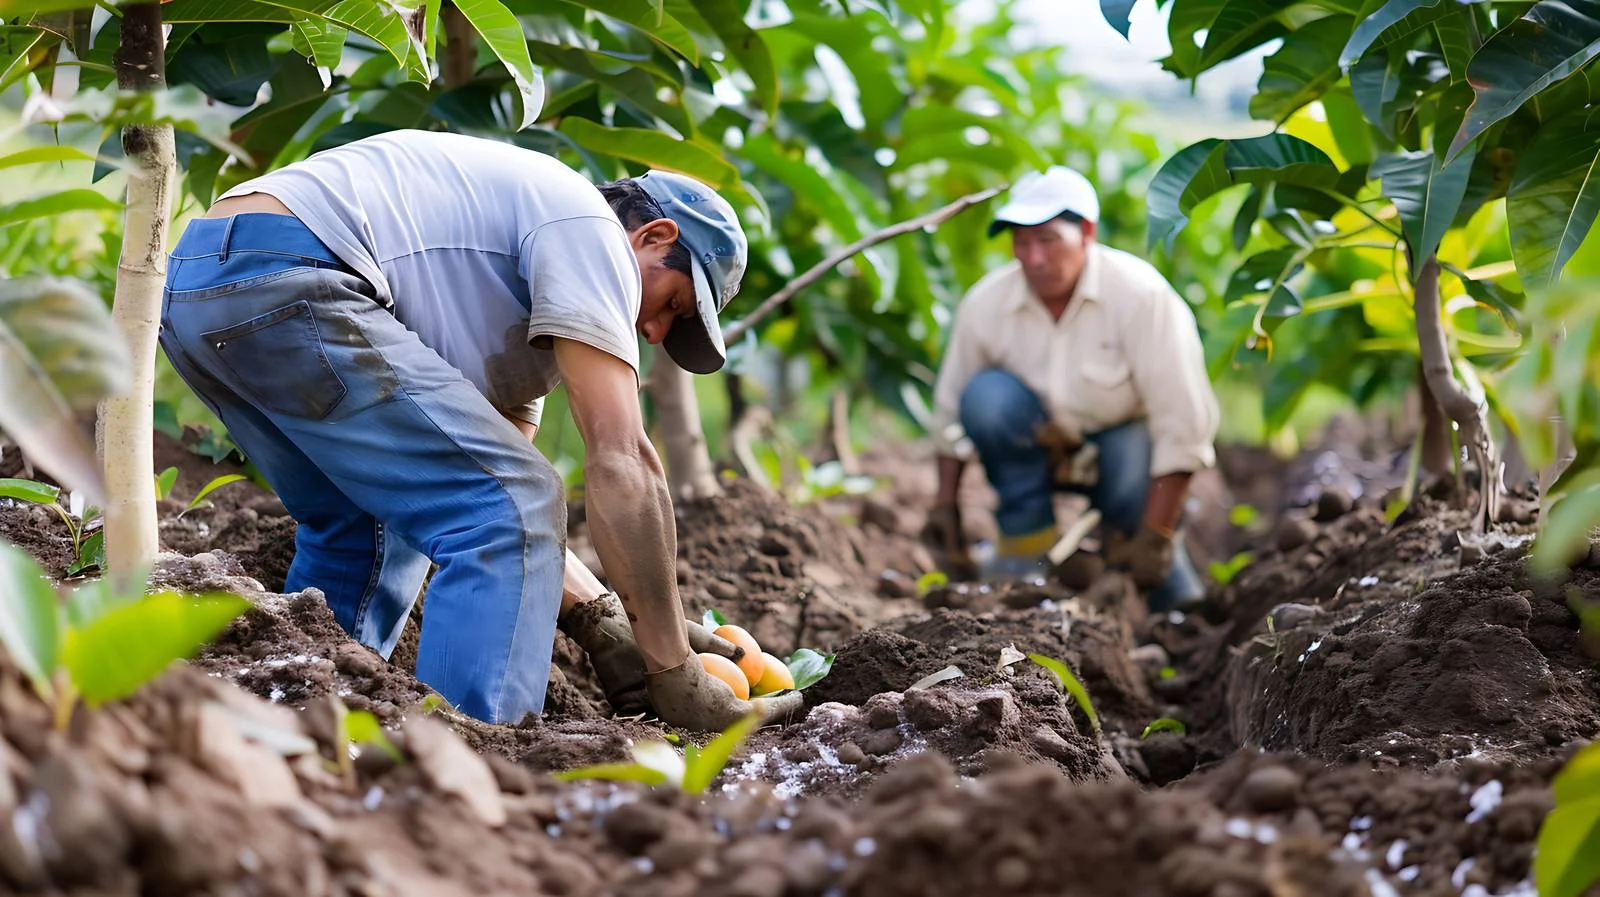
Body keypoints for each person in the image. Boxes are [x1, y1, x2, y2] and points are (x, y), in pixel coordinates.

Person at [158, 128, 802, 730]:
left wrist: (604, 621)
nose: (654, 333)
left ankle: (292, 726)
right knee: (513, 499)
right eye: (671, 305)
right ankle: (474, 753)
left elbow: (498, 517)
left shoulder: (529, 332)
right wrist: (671, 666)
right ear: (654, 236)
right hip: (289, 270)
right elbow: (620, 462)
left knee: (370, 527)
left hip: (201, 285)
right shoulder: (590, 230)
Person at [919, 165, 1221, 611]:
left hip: (1122, 450)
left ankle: (1158, 588)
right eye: (1021, 242)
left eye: (1047, 240)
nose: (1033, 258)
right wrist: (945, 505)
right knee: (986, 398)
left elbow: (1184, 423)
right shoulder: (986, 304)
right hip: (1036, 448)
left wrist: (1156, 535)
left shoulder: (1141, 298)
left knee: (1138, 491)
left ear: (1087, 233)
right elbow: (950, 414)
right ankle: (1025, 561)